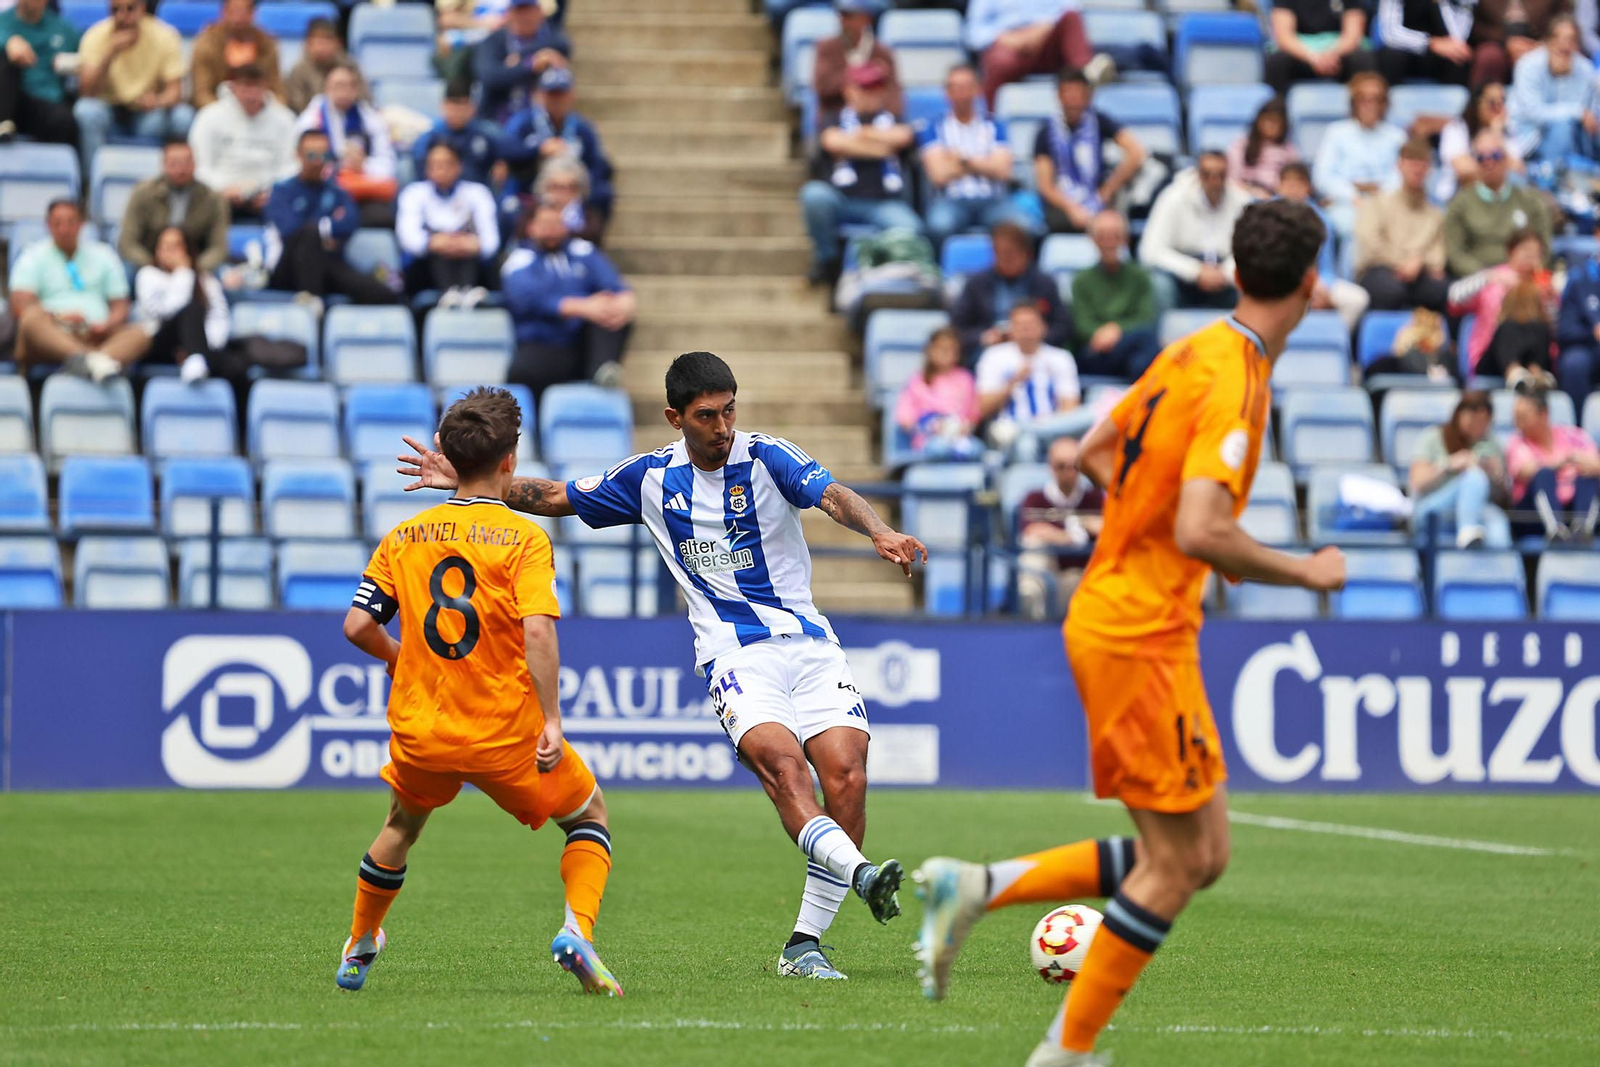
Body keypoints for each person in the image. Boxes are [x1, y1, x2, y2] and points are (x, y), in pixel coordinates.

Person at [914, 199, 1347, 1067]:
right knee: (1178, 864)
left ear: (1231, 271)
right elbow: (1199, 528)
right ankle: (1065, 1053)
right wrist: (1305, 570)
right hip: (1137, 630)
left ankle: (981, 886)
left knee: (1203, 850)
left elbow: (1096, 452)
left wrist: (1163, 536)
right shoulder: (1236, 380)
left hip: (1135, 619)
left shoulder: (1197, 350)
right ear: (1310, 284)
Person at [398, 352, 925, 982]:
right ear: (676, 417)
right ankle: (862, 873)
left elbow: (832, 494)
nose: (723, 425)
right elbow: (557, 496)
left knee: (849, 777)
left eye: (730, 409)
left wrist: (879, 531)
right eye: (707, 415)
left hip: (810, 644)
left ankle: (803, 945)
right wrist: (468, 476)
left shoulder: (766, 456)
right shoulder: (650, 478)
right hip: (733, 654)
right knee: (786, 770)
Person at [339, 388, 624, 998]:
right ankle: (578, 932)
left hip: (424, 731)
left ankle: (362, 939)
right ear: (510, 460)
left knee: (401, 824)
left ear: (444, 452)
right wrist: (552, 720)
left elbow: (358, 626)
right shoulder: (524, 539)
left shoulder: (404, 536)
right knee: (589, 818)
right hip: (505, 735)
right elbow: (540, 630)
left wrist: (401, 661)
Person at [798, 63, 922, 285]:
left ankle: (880, 270)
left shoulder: (896, 119)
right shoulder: (832, 117)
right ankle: (829, 261)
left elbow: (904, 137)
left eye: (876, 87)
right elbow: (831, 141)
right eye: (864, 87)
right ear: (849, 90)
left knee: (911, 228)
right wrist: (881, 145)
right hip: (842, 200)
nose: (871, 94)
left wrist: (856, 139)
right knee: (814, 195)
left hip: (884, 203)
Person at [502, 199, 634, 396]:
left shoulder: (583, 251)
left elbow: (616, 286)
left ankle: (602, 377)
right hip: (542, 344)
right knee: (523, 372)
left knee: (609, 312)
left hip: (580, 344)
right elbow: (529, 299)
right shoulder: (519, 259)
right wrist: (584, 307)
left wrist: (624, 303)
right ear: (531, 227)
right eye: (545, 224)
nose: (551, 230)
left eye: (556, 224)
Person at [10, 199, 151, 382]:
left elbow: (120, 304)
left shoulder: (104, 255)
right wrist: (60, 316)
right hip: (53, 332)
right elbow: (21, 306)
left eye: (70, 222)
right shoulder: (32, 256)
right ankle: (95, 361)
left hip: (95, 333)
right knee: (30, 319)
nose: (64, 229)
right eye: (58, 223)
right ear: (48, 225)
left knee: (144, 332)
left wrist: (108, 324)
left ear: (81, 224)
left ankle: (89, 362)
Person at [265, 129, 398, 306]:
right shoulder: (282, 191)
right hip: (289, 270)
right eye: (311, 155)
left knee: (383, 293)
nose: (318, 161)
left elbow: (350, 222)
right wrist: (326, 231)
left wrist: (317, 231)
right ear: (298, 154)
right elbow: (291, 231)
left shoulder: (337, 191)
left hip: (329, 264)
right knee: (309, 234)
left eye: (324, 154)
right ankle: (310, 301)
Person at [73, 0, 192, 167]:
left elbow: (175, 91)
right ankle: (93, 181)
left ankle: (157, 176)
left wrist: (157, 101)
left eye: (130, 9)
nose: (122, 16)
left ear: (142, 9)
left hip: (148, 113)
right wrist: (110, 53)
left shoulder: (164, 34)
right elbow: (86, 92)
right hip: (109, 111)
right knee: (85, 111)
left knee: (183, 117)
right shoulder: (96, 35)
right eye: (115, 10)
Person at [918, 64, 1022, 249]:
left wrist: (961, 161)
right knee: (938, 226)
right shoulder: (933, 128)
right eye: (954, 87)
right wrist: (985, 163)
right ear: (946, 92)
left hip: (994, 200)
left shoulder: (995, 126)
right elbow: (938, 175)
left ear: (978, 89)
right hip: (951, 200)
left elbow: (1003, 171)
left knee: (1024, 228)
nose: (961, 93)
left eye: (966, 87)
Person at [1032, 67, 1146, 234]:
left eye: (1078, 93)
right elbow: (1046, 186)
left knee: (1113, 224)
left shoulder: (1100, 121)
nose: (1073, 100)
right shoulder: (1045, 130)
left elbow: (1136, 152)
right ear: (1058, 95)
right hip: (1063, 204)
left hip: (1097, 197)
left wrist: (1107, 191)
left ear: (1088, 95)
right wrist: (1071, 208)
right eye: (1068, 93)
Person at [499, 67, 613, 233]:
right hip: (531, 188)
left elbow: (596, 164)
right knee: (508, 205)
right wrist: (539, 150)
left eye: (561, 93)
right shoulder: (524, 122)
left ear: (571, 95)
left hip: (572, 190)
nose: (556, 99)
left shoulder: (582, 128)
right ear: (540, 95)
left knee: (603, 194)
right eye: (551, 94)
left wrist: (577, 188)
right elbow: (506, 150)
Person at [1137, 151, 1250, 311]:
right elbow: (1150, 251)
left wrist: (1225, 272)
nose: (1214, 181)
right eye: (1207, 174)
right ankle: (1165, 335)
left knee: (1254, 281)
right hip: (1181, 273)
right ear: (1197, 174)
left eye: (1220, 175)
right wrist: (1195, 271)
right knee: (1158, 284)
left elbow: (1250, 251)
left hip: (1226, 274)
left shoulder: (1241, 200)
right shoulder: (1173, 197)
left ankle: (1246, 335)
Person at [949, 220, 1073, 362]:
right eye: (1000, 253)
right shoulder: (977, 284)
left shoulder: (1044, 283)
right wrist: (984, 336)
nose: (1006, 259)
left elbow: (1063, 326)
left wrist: (1032, 335)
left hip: (1035, 351)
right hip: (988, 351)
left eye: (1011, 253)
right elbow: (956, 328)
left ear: (1026, 253)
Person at [188, 64, 298, 220]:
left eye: (257, 88)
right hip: (219, 195)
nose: (251, 95)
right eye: (246, 87)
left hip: (269, 196)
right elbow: (198, 165)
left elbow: (291, 165)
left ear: (267, 87)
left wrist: (274, 191)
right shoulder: (208, 117)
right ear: (232, 87)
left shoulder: (285, 120)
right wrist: (222, 190)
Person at [295, 61, 399, 225]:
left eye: (347, 85)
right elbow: (301, 159)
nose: (342, 91)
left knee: (384, 216)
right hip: (321, 188)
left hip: (361, 191)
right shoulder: (311, 118)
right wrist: (335, 163)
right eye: (337, 85)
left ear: (355, 89)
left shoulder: (371, 119)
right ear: (327, 88)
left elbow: (388, 165)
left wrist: (363, 165)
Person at [397, 142, 500, 306]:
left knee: (475, 256)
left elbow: (491, 241)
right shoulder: (414, 193)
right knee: (436, 253)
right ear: (427, 168)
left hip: (470, 261)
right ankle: (450, 295)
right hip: (427, 268)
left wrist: (472, 244)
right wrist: (434, 242)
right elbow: (409, 239)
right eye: (435, 164)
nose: (441, 170)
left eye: (447, 164)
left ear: (458, 166)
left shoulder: (477, 192)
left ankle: (467, 294)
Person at [1355, 137, 1450, 312]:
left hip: (1419, 271)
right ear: (1400, 165)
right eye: (1412, 161)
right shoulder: (1378, 202)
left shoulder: (1435, 213)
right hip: (1380, 268)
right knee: (1391, 291)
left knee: (1443, 291)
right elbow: (1370, 244)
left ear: (1429, 168)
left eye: (1423, 162)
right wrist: (1402, 262)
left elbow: (1438, 254)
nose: (1417, 168)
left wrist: (1419, 262)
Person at [1408, 390, 1512, 548]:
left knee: (1499, 525)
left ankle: (1500, 571)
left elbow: (1502, 496)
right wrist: (1450, 464)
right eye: (1472, 418)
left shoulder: (1491, 445)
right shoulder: (1434, 436)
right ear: (1458, 414)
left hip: (1478, 506)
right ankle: (1467, 531)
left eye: (1483, 422)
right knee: (1473, 475)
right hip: (1433, 506)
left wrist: (1497, 476)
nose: (1477, 426)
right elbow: (1417, 483)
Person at [1449, 228, 1558, 379]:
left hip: (1534, 357)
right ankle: (1514, 373)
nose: (1530, 257)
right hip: (1493, 357)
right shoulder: (1492, 279)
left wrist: (1549, 300)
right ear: (1511, 251)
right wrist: (1487, 277)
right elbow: (1454, 297)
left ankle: (1536, 374)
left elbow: (1554, 328)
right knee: (1509, 326)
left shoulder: (1544, 285)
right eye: (1525, 251)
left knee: (1539, 327)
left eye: (1535, 254)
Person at [1015, 435, 1105, 619]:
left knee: (1075, 581)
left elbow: (1108, 531)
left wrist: (1056, 532)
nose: (1068, 472)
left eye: (1074, 466)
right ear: (1050, 466)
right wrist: (1071, 536)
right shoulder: (1035, 498)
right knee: (1034, 546)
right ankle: (1029, 618)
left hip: (1080, 577)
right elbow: (1032, 531)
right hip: (1047, 573)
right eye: (1061, 466)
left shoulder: (1095, 499)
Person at [1443, 129, 1551, 278]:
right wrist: (1488, 275)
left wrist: (1523, 270)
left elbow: (1545, 248)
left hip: (1524, 276)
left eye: (1495, 155)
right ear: (1475, 162)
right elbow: (1455, 254)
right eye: (1481, 157)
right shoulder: (1460, 204)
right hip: (1478, 279)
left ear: (1507, 159)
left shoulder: (1530, 201)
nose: (1489, 162)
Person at [1311, 72, 1406, 241]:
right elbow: (1322, 176)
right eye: (1363, 99)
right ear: (1353, 102)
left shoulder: (1397, 136)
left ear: (1384, 104)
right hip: (1345, 203)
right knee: (1352, 227)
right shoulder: (1336, 132)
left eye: (1376, 99)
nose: (1369, 105)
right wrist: (1352, 195)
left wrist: (1378, 197)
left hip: (1386, 203)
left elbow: (1400, 176)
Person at [1277, 162, 1370, 331]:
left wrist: (1322, 287)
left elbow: (1327, 266)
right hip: (1278, 281)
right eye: (1287, 184)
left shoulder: (1322, 220)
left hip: (1315, 281)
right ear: (1279, 186)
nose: (1292, 189)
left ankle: (1332, 341)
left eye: (1298, 183)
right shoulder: (1265, 217)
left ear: (1308, 188)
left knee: (1356, 299)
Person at [975, 302, 1083, 447]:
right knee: (1027, 444)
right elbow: (984, 408)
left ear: (1043, 327)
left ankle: (1031, 430)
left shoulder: (1061, 358)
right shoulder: (993, 356)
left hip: (1053, 431)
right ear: (1010, 329)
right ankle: (1028, 431)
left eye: (1031, 324)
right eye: (1020, 325)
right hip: (1010, 433)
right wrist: (1013, 381)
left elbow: (1070, 407)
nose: (1026, 330)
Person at [118, 139, 230, 275]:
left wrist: (193, 267)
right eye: (174, 164)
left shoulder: (212, 199)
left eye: (186, 163)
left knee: (222, 273)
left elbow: (218, 248)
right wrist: (152, 263)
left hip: (194, 265)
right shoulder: (142, 194)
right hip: (149, 263)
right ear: (163, 165)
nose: (181, 169)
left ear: (195, 164)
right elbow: (127, 243)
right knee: (125, 271)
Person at [1070, 209, 1159, 379]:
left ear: (1125, 239)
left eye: (1115, 236)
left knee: (1143, 350)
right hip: (1095, 352)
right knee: (1146, 344)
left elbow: (1145, 317)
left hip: (1130, 349)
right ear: (1093, 240)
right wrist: (1102, 334)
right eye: (1103, 236)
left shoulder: (1139, 277)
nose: (1109, 242)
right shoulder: (1081, 280)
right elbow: (1081, 324)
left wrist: (1116, 330)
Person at [134, 226, 229, 384]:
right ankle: (195, 360)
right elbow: (164, 313)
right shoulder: (147, 275)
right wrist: (183, 273)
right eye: (164, 246)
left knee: (233, 363)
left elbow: (219, 316)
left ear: (187, 249)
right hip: (160, 342)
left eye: (175, 246)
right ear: (157, 250)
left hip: (200, 347)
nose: (170, 252)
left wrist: (200, 347)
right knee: (192, 309)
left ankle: (196, 360)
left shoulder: (205, 280)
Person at [965, 0, 1103, 108]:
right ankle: (988, 123)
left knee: (1071, 19)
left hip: (1048, 40)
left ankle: (1087, 76)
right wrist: (1009, 39)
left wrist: (1044, 28)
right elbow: (974, 33)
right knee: (999, 62)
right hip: (1008, 46)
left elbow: (1071, 7)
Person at [1507, 382, 1600, 538]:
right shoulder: (1517, 442)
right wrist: (1560, 462)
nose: (1518, 423)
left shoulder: (1575, 435)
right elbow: (1525, 471)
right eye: (1516, 418)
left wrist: (1582, 463)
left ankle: (1583, 529)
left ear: (1544, 413)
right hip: (1533, 514)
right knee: (1542, 474)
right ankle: (1555, 530)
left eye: (1523, 417)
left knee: (1588, 475)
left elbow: (1595, 465)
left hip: (1573, 504)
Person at [1507, 16, 1598, 164]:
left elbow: (1589, 115)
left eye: (1571, 39)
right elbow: (1533, 112)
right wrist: (1577, 111)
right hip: (1528, 139)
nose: (1564, 45)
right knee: (1562, 126)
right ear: (1547, 42)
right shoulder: (1527, 65)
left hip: (1575, 139)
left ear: (1577, 46)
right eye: (1557, 38)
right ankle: (1553, 176)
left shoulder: (1585, 69)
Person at [474, 0, 570, 125]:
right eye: (519, 11)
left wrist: (520, 58)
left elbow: (564, 46)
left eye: (529, 11)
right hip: (497, 121)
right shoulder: (493, 41)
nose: (525, 17)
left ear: (539, 12)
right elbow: (490, 77)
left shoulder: (551, 40)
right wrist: (530, 64)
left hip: (537, 123)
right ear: (509, 14)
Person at [0, 0, 81, 145]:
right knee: (4, 60)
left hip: (46, 102)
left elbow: (88, 56)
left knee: (65, 121)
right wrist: (8, 41)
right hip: (10, 100)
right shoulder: (3, 22)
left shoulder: (64, 29)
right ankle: (2, 125)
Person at [895, 325, 981, 459]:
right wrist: (930, 426)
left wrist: (965, 426)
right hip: (928, 439)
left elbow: (973, 414)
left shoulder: (966, 379)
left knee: (976, 449)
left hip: (959, 437)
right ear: (930, 350)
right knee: (939, 449)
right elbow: (904, 417)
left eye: (951, 349)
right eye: (941, 348)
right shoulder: (918, 380)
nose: (946, 353)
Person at [1374, 0, 1500, 89]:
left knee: (1459, 56)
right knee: (1391, 56)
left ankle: (1452, 120)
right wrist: (1429, 43)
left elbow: (1457, 39)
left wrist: (1441, 5)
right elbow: (1388, 32)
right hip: (1408, 48)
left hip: (1441, 55)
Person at [1264, 0, 1376, 97]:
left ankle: (1362, 117)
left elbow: (1353, 34)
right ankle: (1278, 113)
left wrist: (1330, 55)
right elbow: (1284, 36)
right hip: (1302, 54)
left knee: (1362, 59)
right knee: (1277, 62)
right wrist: (1313, 58)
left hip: (1338, 55)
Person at [1434, 81, 1522, 202]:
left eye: (1502, 102)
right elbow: (1463, 169)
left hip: (1499, 198)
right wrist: (1498, 166)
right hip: (1457, 196)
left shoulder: (1506, 130)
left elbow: (1517, 169)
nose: (1498, 108)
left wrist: (1496, 133)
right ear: (1477, 103)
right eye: (1492, 102)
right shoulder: (1456, 129)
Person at [814, 0, 903, 116]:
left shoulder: (882, 52)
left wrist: (874, 103)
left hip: (877, 119)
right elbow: (823, 87)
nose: (844, 21)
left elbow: (894, 96)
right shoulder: (827, 48)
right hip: (837, 117)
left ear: (867, 19)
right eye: (842, 16)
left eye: (850, 16)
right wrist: (858, 76)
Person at [189, 0, 283, 108]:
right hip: (217, 107)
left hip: (258, 108)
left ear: (253, 13)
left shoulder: (267, 44)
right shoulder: (206, 43)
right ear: (223, 12)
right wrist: (226, 113)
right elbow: (201, 93)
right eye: (233, 11)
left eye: (244, 11)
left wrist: (268, 109)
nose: (238, 18)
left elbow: (277, 91)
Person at [413, 78, 501, 188]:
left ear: (472, 108)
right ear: (443, 106)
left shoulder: (484, 135)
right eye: (452, 107)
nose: (457, 113)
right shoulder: (428, 140)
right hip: (437, 199)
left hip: (476, 198)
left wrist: (502, 160)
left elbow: (512, 151)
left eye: (462, 107)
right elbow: (422, 181)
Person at [285, 17, 368, 114]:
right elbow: (296, 105)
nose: (322, 47)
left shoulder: (350, 67)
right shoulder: (299, 71)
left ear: (338, 43)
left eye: (327, 41)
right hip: (312, 123)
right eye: (318, 41)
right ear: (307, 44)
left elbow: (364, 100)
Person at [1555, 235, 1600, 409]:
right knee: (1574, 364)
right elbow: (1565, 330)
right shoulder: (1579, 278)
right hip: (1584, 346)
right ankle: (1577, 428)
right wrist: (1592, 332)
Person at [1225, 98, 1298, 200]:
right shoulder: (1241, 145)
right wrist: (1254, 192)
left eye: (1276, 122)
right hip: (1245, 196)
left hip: (1277, 199)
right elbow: (1231, 180)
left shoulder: (1289, 150)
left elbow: (1293, 180)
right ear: (1258, 121)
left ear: (1284, 125)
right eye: (1267, 120)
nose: (1271, 126)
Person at [533, 157, 602, 244]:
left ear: (580, 190)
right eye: (555, 187)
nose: (561, 193)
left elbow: (593, 236)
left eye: (569, 187)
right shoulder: (534, 211)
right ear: (545, 187)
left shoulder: (589, 214)